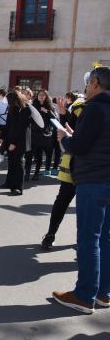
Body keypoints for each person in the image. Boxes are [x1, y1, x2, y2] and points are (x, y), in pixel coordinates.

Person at [53, 66, 110, 314]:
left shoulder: (95, 108)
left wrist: (64, 139)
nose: (85, 87)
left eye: (88, 83)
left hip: (93, 180)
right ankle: (103, 293)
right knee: (105, 238)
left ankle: (84, 295)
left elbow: (81, 147)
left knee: (89, 239)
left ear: (96, 83)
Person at [40, 96, 86, 250]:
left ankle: (85, 240)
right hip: (74, 164)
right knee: (62, 202)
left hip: (91, 167)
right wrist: (64, 113)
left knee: (87, 207)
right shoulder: (81, 106)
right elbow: (68, 127)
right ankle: (51, 234)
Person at [0, 90, 30, 195]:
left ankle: (18, 187)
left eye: (8, 100)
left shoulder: (24, 110)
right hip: (10, 140)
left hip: (19, 142)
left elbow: (20, 129)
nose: (7, 103)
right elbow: (7, 125)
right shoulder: (13, 109)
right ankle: (9, 183)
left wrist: (14, 143)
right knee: (11, 163)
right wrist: (2, 137)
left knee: (18, 164)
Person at [30, 90, 57, 180]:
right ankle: (34, 172)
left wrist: (46, 111)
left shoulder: (50, 107)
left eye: (43, 95)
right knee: (37, 155)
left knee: (45, 153)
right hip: (34, 134)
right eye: (39, 95)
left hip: (45, 135)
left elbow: (55, 118)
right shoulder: (33, 106)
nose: (41, 96)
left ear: (46, 97)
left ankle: (42, 171)